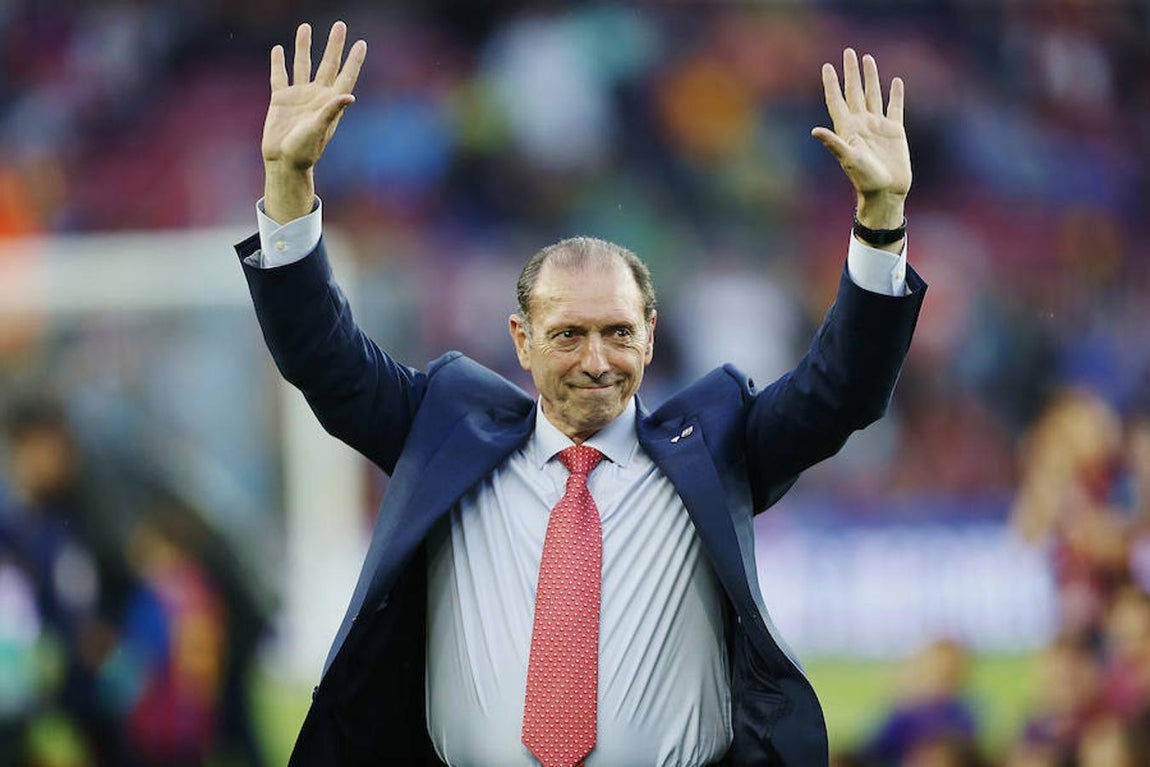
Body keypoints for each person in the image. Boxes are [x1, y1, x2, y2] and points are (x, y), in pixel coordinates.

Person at [236, 20, 925, 767]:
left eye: (618, 332)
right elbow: (325, 359)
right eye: (568, 334)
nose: (596, 360)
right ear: (521, 339)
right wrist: (288, 185)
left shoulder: (716, 447)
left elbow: (842, 390)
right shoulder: (444, 432)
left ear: (651, 336)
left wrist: (881, 220)